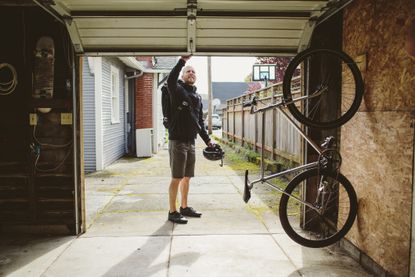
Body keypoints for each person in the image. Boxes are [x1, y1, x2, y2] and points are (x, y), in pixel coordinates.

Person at [166, 55, 213, 224]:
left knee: (187, 177)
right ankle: (172, 211)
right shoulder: (177, 90)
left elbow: (199, 122)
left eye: (193, 72)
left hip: (191, 141)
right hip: (177, 141)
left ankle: (184, 207)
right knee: (176, 177)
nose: (191, 73)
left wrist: (208, 141)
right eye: (188, 72)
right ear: (183, 75)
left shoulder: (197, 97)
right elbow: (171, 79)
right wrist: (182, 61)